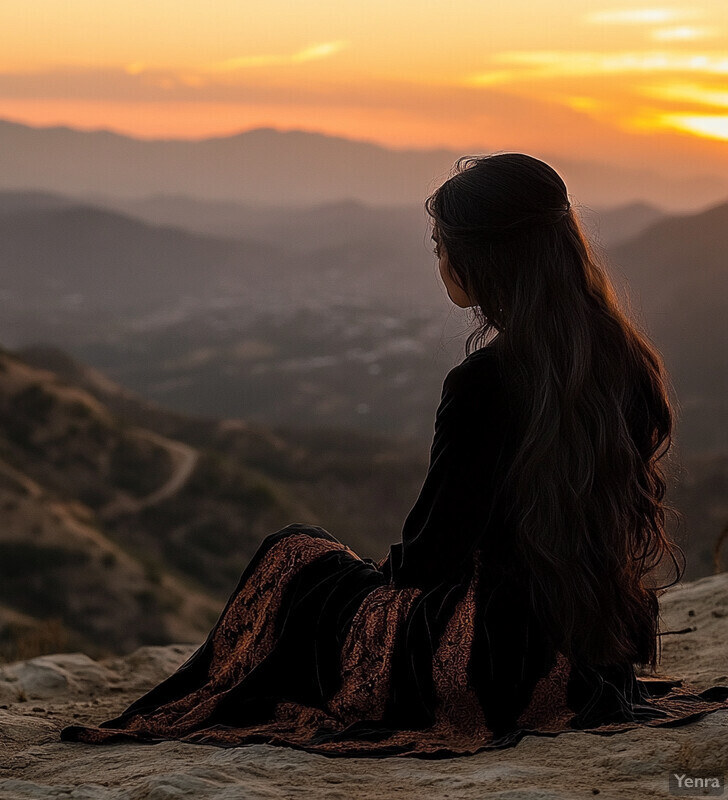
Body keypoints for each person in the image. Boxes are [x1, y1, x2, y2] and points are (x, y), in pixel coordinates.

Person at [60, 153, 728, 757]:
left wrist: (367, 583)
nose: (438, 262)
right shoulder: (626, 362)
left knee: (295, 556)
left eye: (442, 247)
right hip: (591, 663)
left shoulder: (485, 382)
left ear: (484, 258)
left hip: (487, 669)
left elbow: (430, 556)